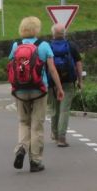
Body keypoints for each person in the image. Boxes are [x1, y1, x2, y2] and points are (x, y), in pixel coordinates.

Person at [7, 16, 63, 173]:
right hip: (39, 90)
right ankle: (35, 161)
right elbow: (52, 69)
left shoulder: (15, 46)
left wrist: (13, 88)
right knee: (37, 125)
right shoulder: (43, 46)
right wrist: (59, 88)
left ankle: (21, 148)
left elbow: (12, 68)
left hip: (20, 91)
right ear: (36, 29)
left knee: (23, 122)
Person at [47, 25, 83, 147]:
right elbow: (78, 63)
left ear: (53, 34)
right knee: (64, 110)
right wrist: (80, 80)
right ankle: (61, 137)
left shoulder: (48, 46)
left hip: (52, 83)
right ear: (64, 34)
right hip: (68, 81)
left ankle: (54, 133)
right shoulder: (71, 46)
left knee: (55, 109)